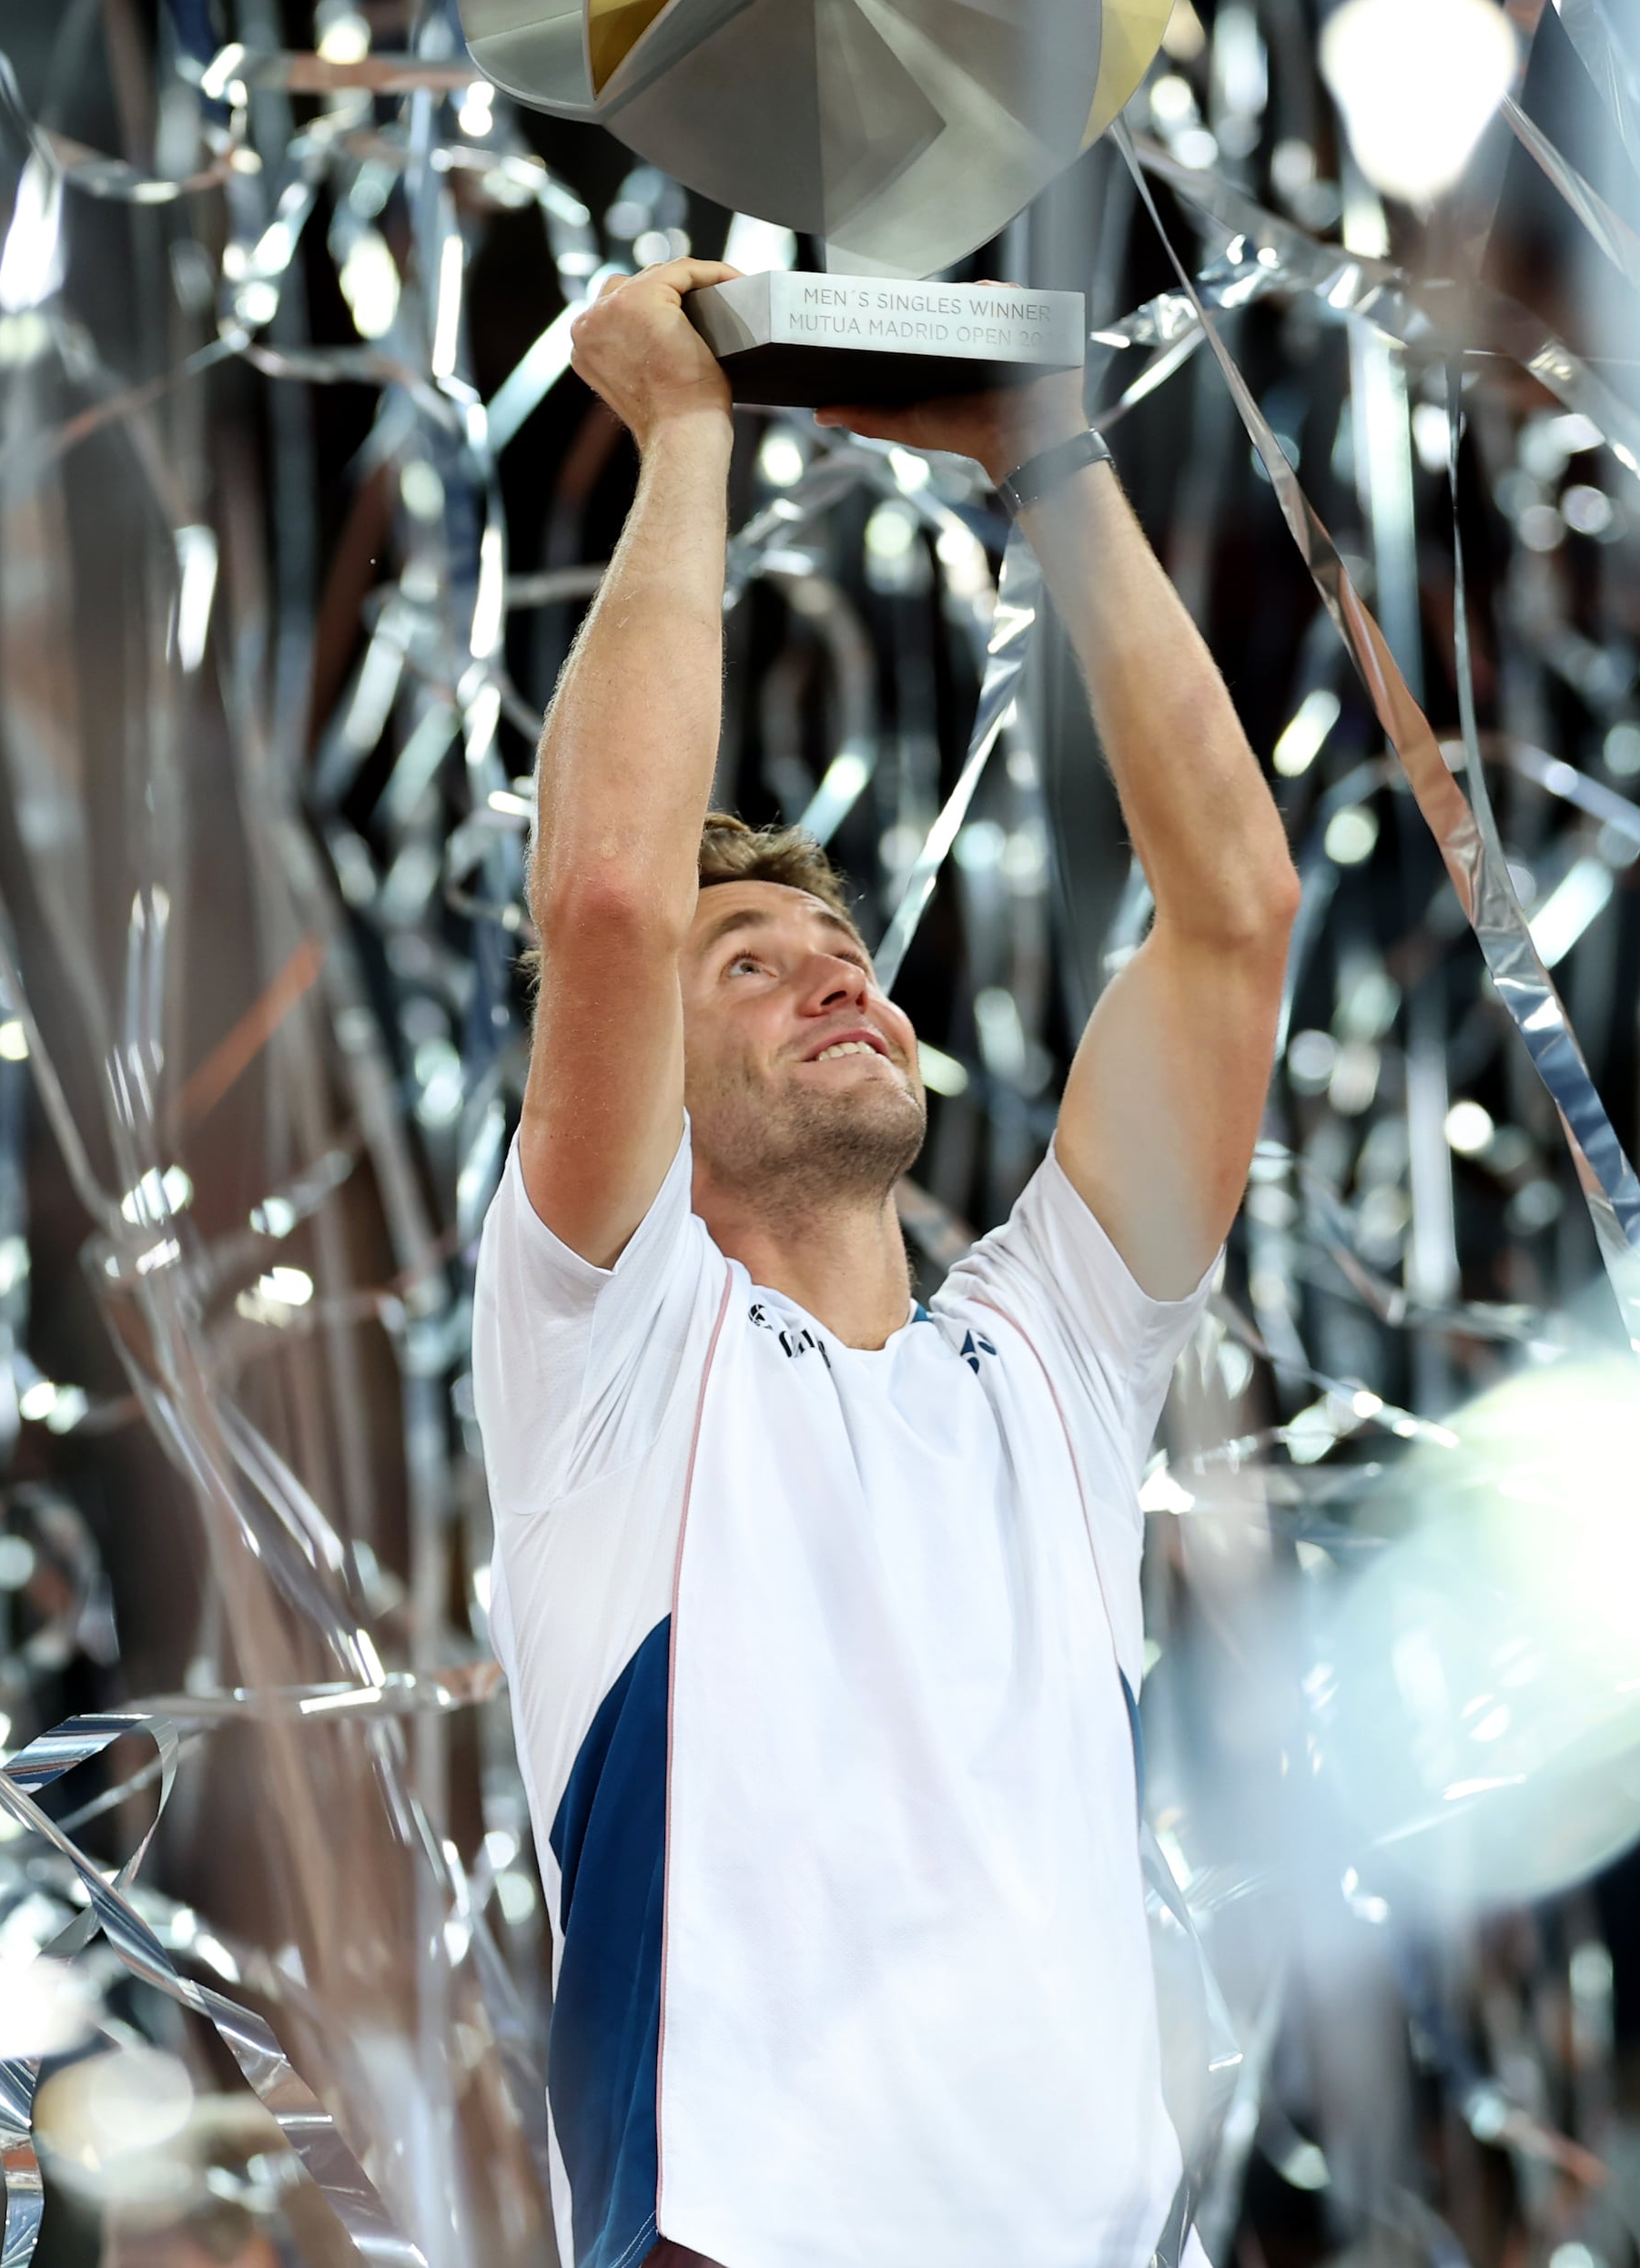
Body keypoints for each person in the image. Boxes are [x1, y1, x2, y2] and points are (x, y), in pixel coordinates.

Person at [481, 257, 1299, 2268]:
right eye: (742, 962)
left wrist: (1059, 468)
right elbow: (600, 893)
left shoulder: (1048, 1366)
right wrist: (688, 431)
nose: (829, 971)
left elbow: (1235, 913)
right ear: (641, 1073)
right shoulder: (613, 1350)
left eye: (836, 950)